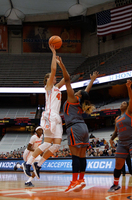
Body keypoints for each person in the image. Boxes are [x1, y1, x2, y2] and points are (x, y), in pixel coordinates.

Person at [23, 44, 65, 178]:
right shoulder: (48, 87)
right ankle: (28, 163)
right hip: (49, 116)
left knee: (56, 146)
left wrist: (62, 65)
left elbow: (67, 78)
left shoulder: (57, 87)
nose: (53, 78)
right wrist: (53, 53)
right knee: (47, 142)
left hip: (57, 117)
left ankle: (38, 164)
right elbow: (53, 70)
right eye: (50, 77)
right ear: (46, 81)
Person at [58, 57, 97, 193]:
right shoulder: (81, 101)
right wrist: (91, 81)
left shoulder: (73, 98)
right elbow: (87, 91)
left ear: (79, 94)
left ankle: (74, 181)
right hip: (84, 128)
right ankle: (81, 179)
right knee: (82, 156)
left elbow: (67, 80)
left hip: (74, 127)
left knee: (75, 156)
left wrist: (62, 64)